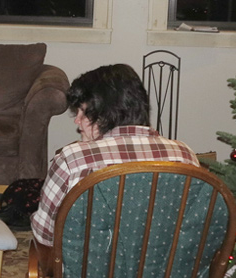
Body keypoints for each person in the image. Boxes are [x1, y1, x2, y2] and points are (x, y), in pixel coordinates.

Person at [30, 64, 200, 245]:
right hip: (167, 272)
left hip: (89, 272)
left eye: (82, 111)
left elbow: (45, 235)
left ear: (104, 112)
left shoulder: (72, 159)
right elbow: (196, 229)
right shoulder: (184, 156)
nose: (76, 120)